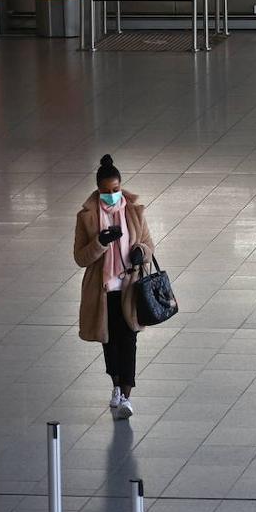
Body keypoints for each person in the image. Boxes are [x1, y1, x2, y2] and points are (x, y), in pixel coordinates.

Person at [73, 155, 154, 420]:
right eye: (106, 192)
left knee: (129, 340)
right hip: (104, 290)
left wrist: (140, 252)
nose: (112, 196)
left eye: (116, 190)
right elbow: (80, 258)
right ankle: (116, 387)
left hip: (130, 289)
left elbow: (148, 244)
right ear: (98, 190)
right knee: (110, 343)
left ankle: (127, 397)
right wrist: (100, 242)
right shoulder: (87, 217)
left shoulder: (133, 211)